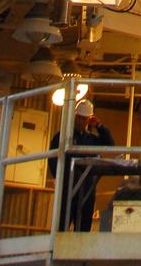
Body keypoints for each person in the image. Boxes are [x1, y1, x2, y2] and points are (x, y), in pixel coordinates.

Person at [48, 98, 115, 231]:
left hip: (87, 189)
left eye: (84, 118)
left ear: (89, 119)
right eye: (79, 117)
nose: (80, 121)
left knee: (83, 228)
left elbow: (110, 144)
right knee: (62, 226)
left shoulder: (92, 140)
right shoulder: (63, 137)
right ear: (74, 116)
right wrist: (58, 178)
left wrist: (99, 126)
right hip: (67, 187)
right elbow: (53, 158)